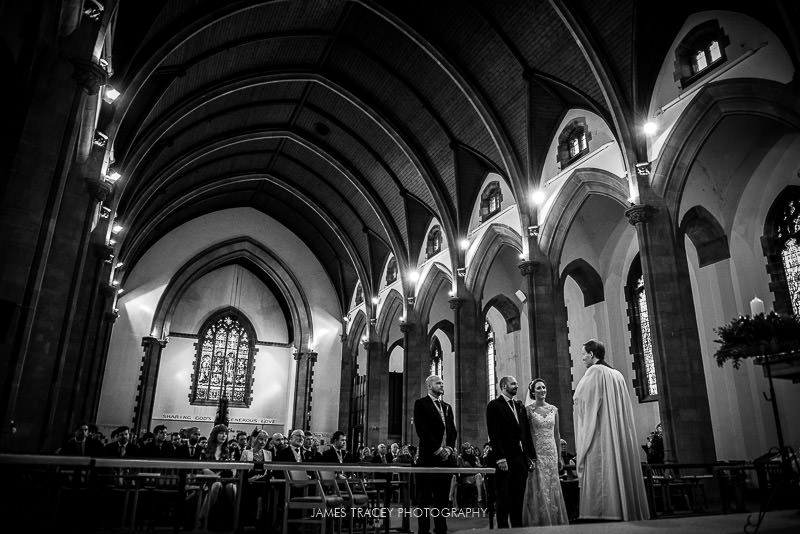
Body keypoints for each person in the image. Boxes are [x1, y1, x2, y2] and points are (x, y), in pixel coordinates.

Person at [573, 339, 649, 521]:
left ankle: (604, 513)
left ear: (591, 354)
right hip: (618, 436)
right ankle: (625, 510)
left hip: (601, 436)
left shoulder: (594, 373)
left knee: (601, 474)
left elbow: (584, 403)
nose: (582, 358)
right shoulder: (617, 375)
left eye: (583, 354)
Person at [486, 376, 535, 528]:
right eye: (513, 384)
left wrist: (530, 456)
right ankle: (502, 529)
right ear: (503, 386)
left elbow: (525, 433)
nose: (516, 386)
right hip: (505, 458)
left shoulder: (519, 405)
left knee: (518, 497)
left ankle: (517, 527)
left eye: (517, 384)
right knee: (504, 499)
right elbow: (494, 433)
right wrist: (500, 458)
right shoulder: (494, 405)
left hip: (520, 459)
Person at [413, 374, 457, 534]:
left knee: (442, 499)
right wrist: (438, 449)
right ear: (429, 386)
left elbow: (452, 431)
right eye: (438, 383)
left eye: (442, 383)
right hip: (428, 458)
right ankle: (423, 531)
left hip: (445, 459)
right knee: (424, 499)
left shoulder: (447, 406)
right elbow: (422, 429)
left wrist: (449, 449)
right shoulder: (421, 404)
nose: (441, 385)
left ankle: (441, 529)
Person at [522, 378, 568, 526]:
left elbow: (557, 434)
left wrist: (559, 456)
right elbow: (526, 435)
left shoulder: (553, 410)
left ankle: (554, 519)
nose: (542, 390)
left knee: (552, 485)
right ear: (533, 392)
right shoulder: (528, 411)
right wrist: (529, 455)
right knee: (539, 486)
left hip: (552, 452)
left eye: (543, 387)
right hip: (537, 453)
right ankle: (540, 520)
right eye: (538, 388)